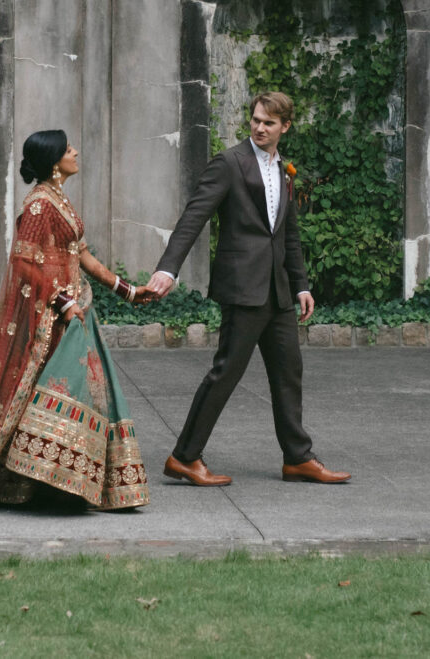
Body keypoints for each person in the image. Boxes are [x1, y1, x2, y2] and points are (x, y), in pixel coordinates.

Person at [0, 129, 154, 512]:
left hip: (73, 313)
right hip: (52, 319)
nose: (75, 151)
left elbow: (81, 255)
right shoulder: (39, 205)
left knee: (80, 392)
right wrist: (63, 300)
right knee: (57, 393)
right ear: (55, 163)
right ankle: (54, 485)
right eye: (68, 148)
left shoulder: (59, 200)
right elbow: (22, 262)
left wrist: (128, 290)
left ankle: (62, 484)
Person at [145, 91, 350, 486]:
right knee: (226, 373)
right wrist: (168, 269)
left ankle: (297, 458)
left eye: (268, 123)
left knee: (289, 371)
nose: (259, 127)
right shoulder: (229, 163)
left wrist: (301, 286)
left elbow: (287, 234)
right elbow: (194, 217)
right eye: (255, 119)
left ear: (285, 127)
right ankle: (185, 457)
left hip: (279, 291)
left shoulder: (284, 171)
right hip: (242, 288)